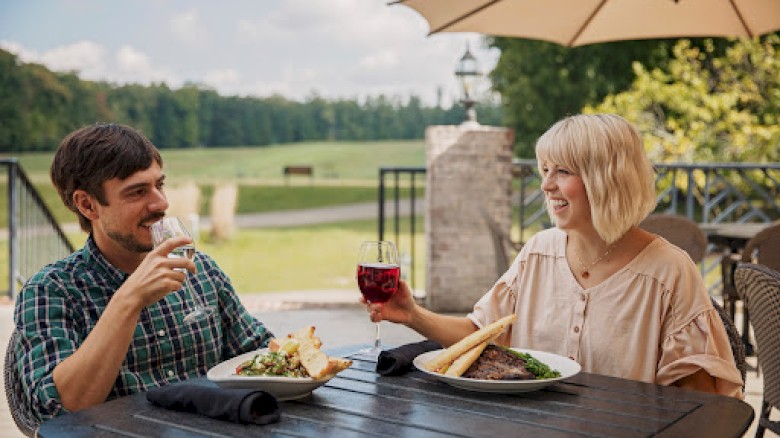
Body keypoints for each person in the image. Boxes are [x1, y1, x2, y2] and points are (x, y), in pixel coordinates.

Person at [367, 114, 743, 398]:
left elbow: (700, 403)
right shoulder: (539, 251)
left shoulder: (669, 272)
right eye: (545, 170)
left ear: (607, 179)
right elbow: (478, 336)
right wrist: (413, 315)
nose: (546, 185)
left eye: (562, 171)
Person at [13, 123, 274, 421]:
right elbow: (58, 409)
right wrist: (129, 300)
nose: (161, 203)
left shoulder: (201, 271)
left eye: (159, 185)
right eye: (137, 192)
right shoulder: (50, 290)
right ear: (88, 205)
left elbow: (259, 353)